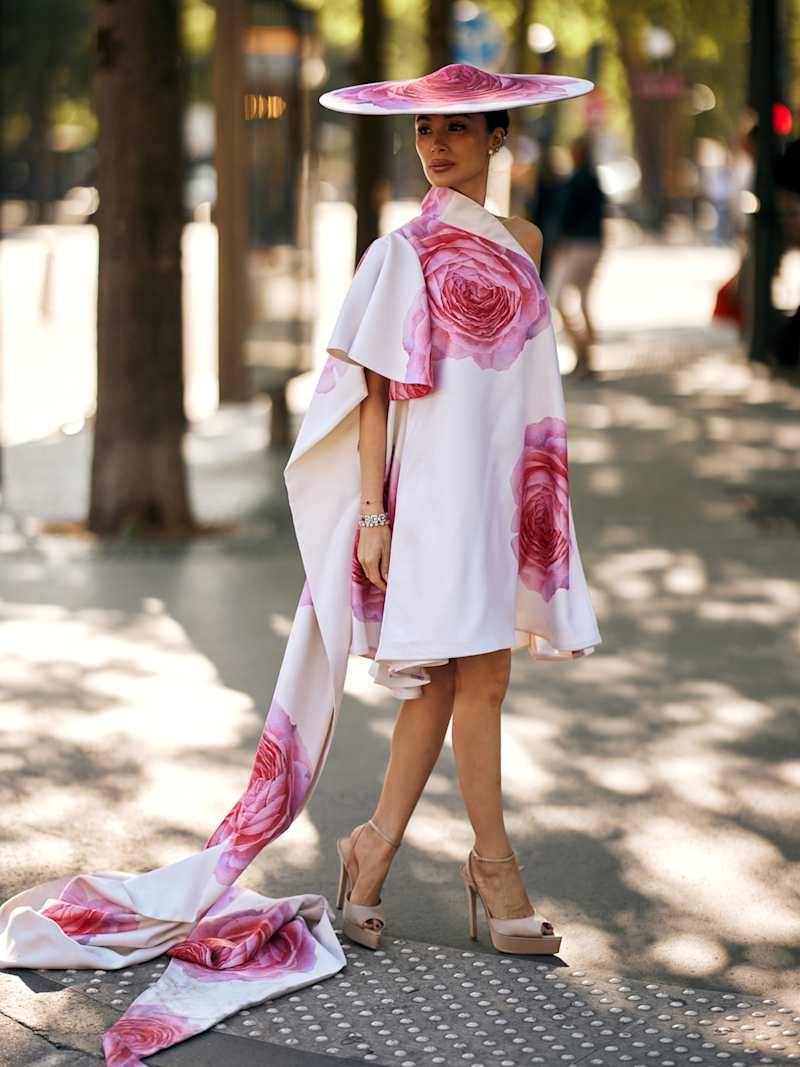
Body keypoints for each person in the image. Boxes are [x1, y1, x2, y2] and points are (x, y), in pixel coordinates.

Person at [0, 64, 601, 1066]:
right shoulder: (400, 251)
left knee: (446, 683)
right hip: (428, 496)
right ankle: (494, 869)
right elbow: (372, 392)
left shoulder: (526, 241)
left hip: (504, 489)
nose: (436, 147)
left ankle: (369, 852)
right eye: (423, 133)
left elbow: (526, 389)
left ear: (498, 135)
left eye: (457, 130)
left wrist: (538, 498)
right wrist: (371, 511)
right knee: (476, 678)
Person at [545, 133, 607, 377]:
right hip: (593, 244)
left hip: (578, 245)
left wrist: (559, 241)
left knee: (559, 299)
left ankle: (583, 351)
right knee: (583, 300)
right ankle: (587, 356)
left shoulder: (576, 181)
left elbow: (566, 216)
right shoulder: (593, 179)